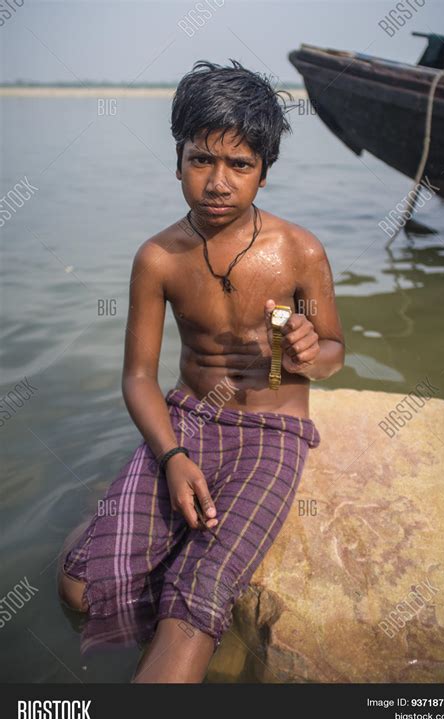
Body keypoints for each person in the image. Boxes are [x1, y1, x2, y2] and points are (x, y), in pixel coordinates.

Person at [57, 59, 345, 683]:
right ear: (177, 160)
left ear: (264, 174)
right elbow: (138, 376)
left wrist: (302, 351)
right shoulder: (158, 258)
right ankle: (114, 507)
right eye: (201, 160)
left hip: (272, 436)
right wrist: (170, 458)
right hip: (189, 422)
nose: (218, 182)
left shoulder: (300, 251)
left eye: (239, 165)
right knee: (77, 590)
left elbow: (333, 353)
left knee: (195, 599)